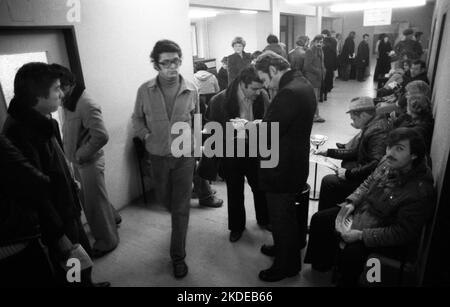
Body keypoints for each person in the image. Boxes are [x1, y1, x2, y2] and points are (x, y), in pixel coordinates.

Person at [2, 62, 109, 287]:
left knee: (82, 256)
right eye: (57, 89)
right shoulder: (19, 132)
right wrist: (57, 233)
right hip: (56, 217)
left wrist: (70, 182)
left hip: (66, 206)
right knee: (71, 267)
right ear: (37, 96)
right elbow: (35, 193)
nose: (62, 93)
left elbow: (54, 163)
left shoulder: (43, 118)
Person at [305, 128, 435, 287]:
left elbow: (403, 233)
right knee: (320, 220)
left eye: (399, 149)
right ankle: (324, 267)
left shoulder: (419, 191)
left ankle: (346, 280)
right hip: (366, 214)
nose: (390, 153)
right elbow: (368, 183)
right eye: (389, 146)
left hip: (384, 230)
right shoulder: (388, 162)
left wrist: (361, 235)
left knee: (352, 253)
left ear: (414, 155)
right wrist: (352, 202)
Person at [131, 40, 199, 279]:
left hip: (184, 156)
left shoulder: (191, 88)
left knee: (181, 208)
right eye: (166, 62)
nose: (172, 66)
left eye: (176, 61)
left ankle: (177, 256)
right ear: (156, 64)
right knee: (165, 201)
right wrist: (146, 135)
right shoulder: (144, 90)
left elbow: (197, 121)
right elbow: (137, 119)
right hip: (158, 156)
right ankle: (178, 222)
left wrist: (197, 149)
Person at [255, 51, 317, 282]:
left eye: (264, 80)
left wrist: (246, 130)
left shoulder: (288, 93)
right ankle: (282, 248)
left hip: (282, 167)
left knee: (282, 218)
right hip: (294, 162)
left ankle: (287, 265)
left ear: (272, 70)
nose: (265, 86)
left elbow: (268, 134)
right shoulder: (302, 84)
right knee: (285, 216)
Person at [51, 64, 120, 259]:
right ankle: (113, 218)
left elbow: (101, 136)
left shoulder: (85, 103)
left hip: (88, 161)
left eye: (59, 88)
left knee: (93, 204)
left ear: (70, 84)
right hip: (80, 161)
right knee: (95, 198)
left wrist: (79, 155)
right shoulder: (71, 101)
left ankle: (107, 241)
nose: (58, 93)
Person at [208, 66, 270, 243]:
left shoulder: (262, 96)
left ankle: (264, 219)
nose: (258, 93)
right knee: (234, 190)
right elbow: (214, 133)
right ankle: (236, 227)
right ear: (243, 84)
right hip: (231, 153)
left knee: (260, 187)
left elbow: (268, 122)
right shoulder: (219, 100)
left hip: (255, 149)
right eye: (254, 89)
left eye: (261, 88)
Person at [315, 97, 390, 212]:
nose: (352, 122)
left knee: (328, 182)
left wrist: (348, 174)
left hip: (369, 182)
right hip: (365, 173)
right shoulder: (372, 125)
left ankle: (327, 218)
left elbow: (375, 163)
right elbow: (357, 151)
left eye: (354, 118)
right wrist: (329, 152)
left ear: (364, 115)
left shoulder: (377, 131)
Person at [191, 62, 224, 208]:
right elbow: (217, 90)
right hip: (210, 103)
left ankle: (201, 190)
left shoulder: (192, 79)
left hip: (200, 102)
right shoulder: (213, 76)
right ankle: (205, 194)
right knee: (199, 160)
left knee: (197, 157)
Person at [304, 34, 325, 122]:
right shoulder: (310, 51)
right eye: (319, 41)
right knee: (314, 98)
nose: (320, 43)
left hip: (318, 78)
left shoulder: (320, 50)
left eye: (322, 42)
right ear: (314, 41)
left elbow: (321, 63)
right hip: (312, 78)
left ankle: (315, 115)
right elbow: (307, 66)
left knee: (316, 97)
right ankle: (315, 116)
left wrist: (323, 71)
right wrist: (318, 71)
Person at [321, 34, 338, 101]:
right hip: (330, 68)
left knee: (323, 81)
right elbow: (335, 60)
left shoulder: (322, 49)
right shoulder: (333, 50)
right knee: (329, 80)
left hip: (323, 67)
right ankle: (326, 94)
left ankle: (323, 94)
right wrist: (335, 68)